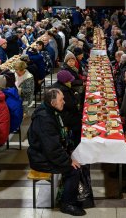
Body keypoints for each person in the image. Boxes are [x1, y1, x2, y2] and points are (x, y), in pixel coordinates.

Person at [27, 88, 86, 216]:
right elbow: (52, 149)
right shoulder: (45, 119)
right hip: (41, 158)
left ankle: (69, 194)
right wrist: (68, 161)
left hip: (45, 153)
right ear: (53, 102)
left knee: (77, 160)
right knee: (74, 170)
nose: (64, 102)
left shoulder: (51, 111)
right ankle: (67, 204)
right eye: (61, 100)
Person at [51, 70, 82, 149]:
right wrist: (77, 96)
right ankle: (77, 144)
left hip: (62, 114)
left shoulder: (57, 85)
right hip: (64, 116)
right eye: (69, 81)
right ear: (65, 81)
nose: (71, 82)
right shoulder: (63, 90)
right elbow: (72, 105)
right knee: (81, 121)